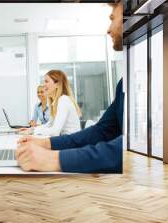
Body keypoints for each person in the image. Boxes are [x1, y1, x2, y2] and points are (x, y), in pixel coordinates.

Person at [15, 0, 123, 172]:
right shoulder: (122, 85)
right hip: (71, 147)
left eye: (112, 18)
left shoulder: (64, 100)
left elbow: (128, 146)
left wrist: (54, 158)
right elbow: (101, 132)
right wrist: (43, 141)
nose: (108, 29)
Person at [22, 70, 82, 136]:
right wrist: (31, 129)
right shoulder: (55, 102)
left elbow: (55, 132)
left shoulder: (63, 100)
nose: (43, 84)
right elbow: (49, 124)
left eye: (46, 81)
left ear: (57, 84)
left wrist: (33, 131)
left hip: (71, 143)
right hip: (65, 139)